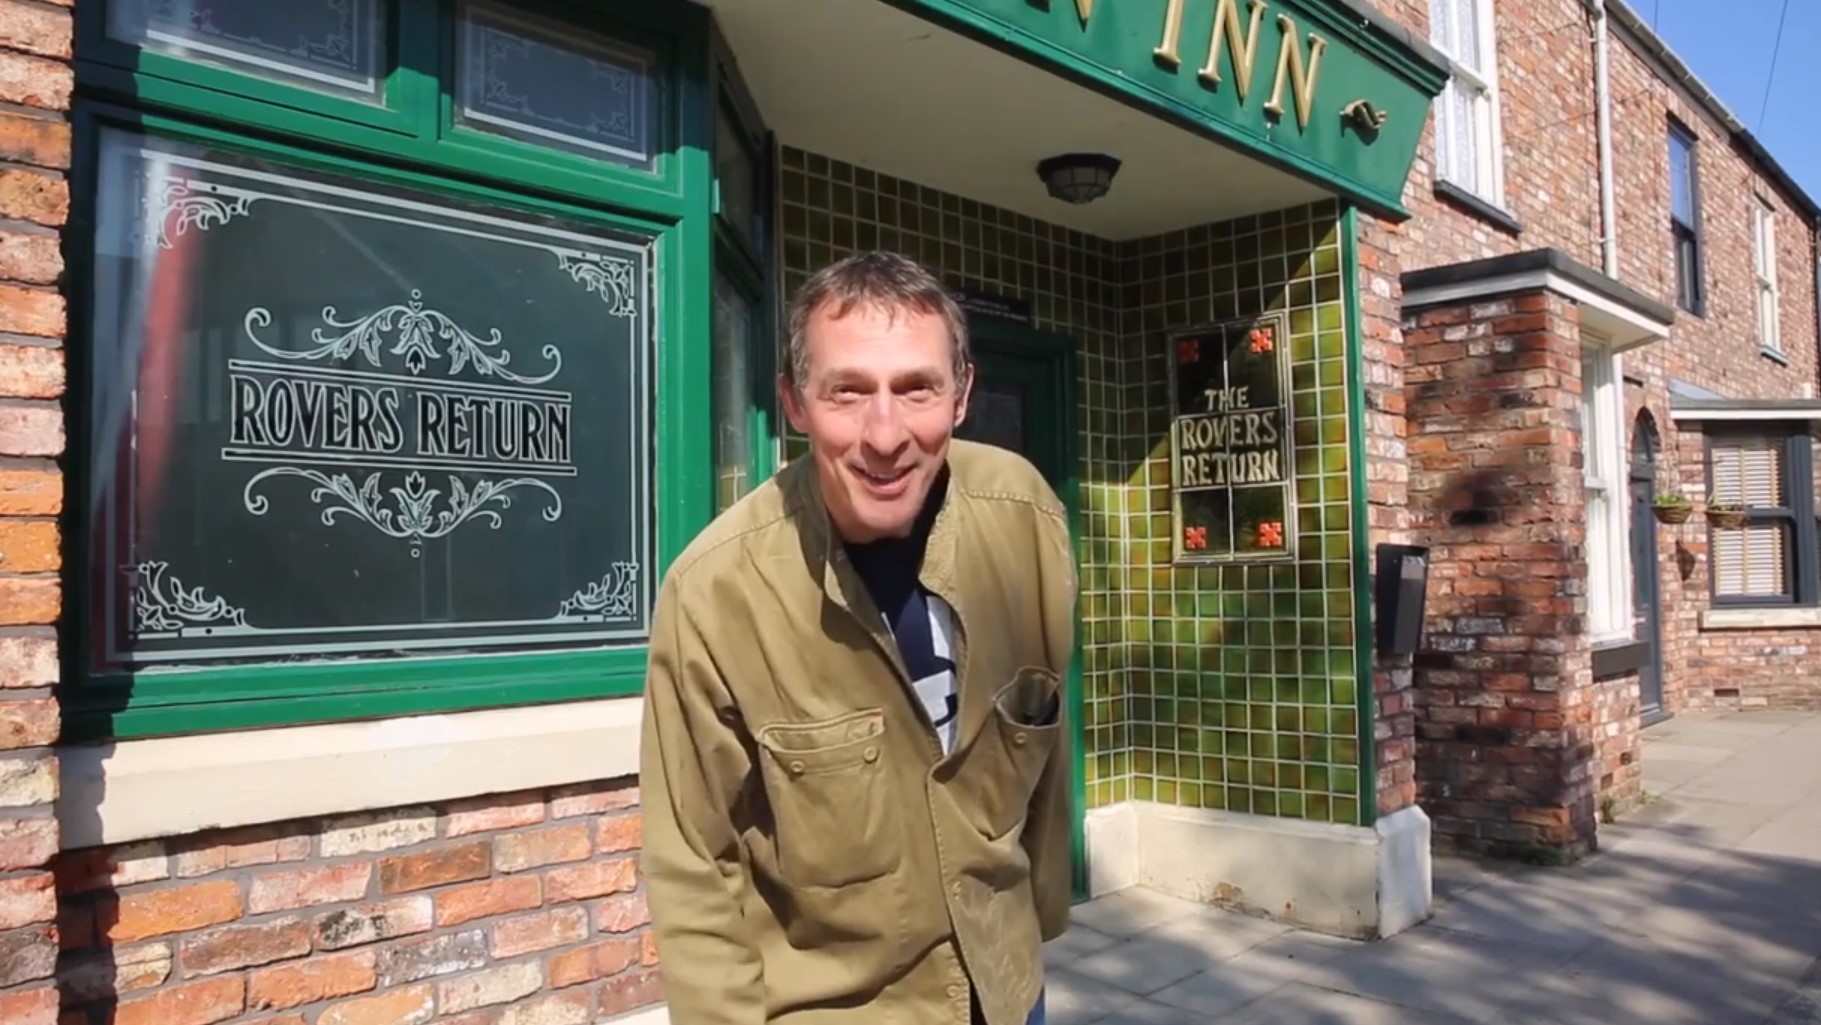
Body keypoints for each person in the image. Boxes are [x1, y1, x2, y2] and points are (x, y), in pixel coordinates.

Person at [639, 250, 1077, 1025]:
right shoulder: (714, 591)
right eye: (848, 391)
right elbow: (694, 863)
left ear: (961, 394)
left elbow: (1042, 753)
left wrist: (1030, 934)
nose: (884, 435)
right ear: (794, 404)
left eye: (916, 388)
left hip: (1008, 988)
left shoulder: (1027, 517)